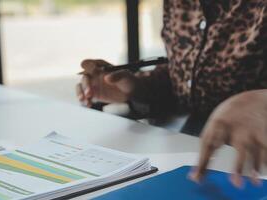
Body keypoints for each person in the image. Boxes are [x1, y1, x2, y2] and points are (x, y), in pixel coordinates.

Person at [76, 1, 267, 187]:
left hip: (253, 168)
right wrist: (139, 88)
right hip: (194, 157)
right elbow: (183, 74)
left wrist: (258, 100)